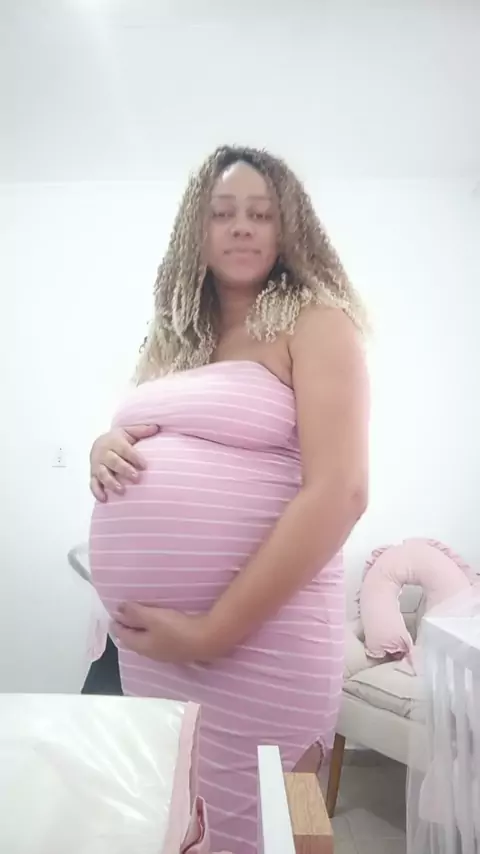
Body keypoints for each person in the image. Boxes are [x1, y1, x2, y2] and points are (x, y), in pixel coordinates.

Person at [89, 145, 369, 853]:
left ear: (287, 228)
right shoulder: (173, 342)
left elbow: (341, 491)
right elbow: (152, 433)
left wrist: (213, 631)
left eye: (261, 213)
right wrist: (104, 447)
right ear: (199, 228)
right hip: (161, 649)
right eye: (223, 213)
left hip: (267, 633)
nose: (242, 226)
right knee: (188, 810)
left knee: (294, 807)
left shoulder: (316, 322)